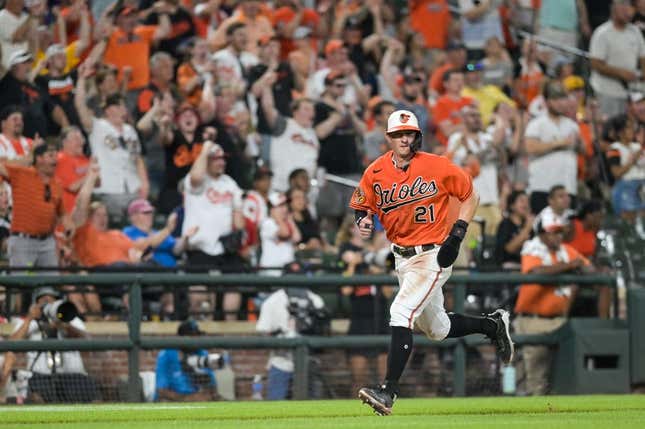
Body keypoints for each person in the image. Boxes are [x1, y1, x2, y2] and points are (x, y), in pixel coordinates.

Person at [350, 110, 513, 415]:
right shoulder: (375, 172)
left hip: (433, 253)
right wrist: (362, 220)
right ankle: (492, 325)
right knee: (437, 328)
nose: (404, 139)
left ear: (417, 136)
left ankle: (388, 391)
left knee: (400, 311)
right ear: (388, 138)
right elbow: (361, 204)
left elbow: (470, 194)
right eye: (398, 134)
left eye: (409, 133)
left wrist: (458, 234)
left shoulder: (436, 164)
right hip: (402, 257)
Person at [513, 216, 592, 395]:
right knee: (532, 378)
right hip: (533, 321)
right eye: (552, 232)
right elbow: (536, 272)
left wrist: (578, 266)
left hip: (559, 321)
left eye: (559, 232)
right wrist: (569, 266)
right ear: (541, 234)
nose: (557, 236)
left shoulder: (566, 250)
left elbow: (589, 269)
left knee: (557, 378)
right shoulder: (533, 249)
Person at [9, 287, 98, 403]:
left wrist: (64, 324)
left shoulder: (68, 317)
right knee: (36, 397)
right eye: (43, 301)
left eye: (51, 301)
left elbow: (87, 341)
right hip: (40, 375)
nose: (47, 305)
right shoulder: (28, 321)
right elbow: (11, 343)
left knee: (92, 398)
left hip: (72, 375)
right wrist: (30, 318)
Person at [524, 81, 581, 214]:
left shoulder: (572, 125)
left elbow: (583, 151)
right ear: (547, 101)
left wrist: (579, 144)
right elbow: (530, 147)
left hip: (568, 187)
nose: (560, 103)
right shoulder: (537, 123)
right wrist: (559, 143)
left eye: (563, 98)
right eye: (556, 99)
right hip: (543, 187)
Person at [590, 0, 645, 118]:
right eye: (624, 6)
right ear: (614, 7)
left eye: (631, 7)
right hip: (606, 92)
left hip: (630, 92)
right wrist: (620, 73)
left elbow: (642, 56)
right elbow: (595, 64)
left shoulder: (635, 32)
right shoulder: (602, 33)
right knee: (608, 128)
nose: (628, 11)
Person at [155, 320, 218, 402]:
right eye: (192, 336)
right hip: (173, 401)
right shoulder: (166, 354)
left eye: (197, 335)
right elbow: (161, 391)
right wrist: (188, 398)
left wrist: (204, 394)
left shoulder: (202, 352)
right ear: (181, 338)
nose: (195, 339)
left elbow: (212, 388)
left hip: (198, 401)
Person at [495, 190, 534, 269]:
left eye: (527, 201)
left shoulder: (529, 225)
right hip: (508, 267)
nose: (526, 204)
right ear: (512, 206)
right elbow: (509, 249)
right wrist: (527, 228)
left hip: (527, 264)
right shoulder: (505, 224)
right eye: (522, 201)